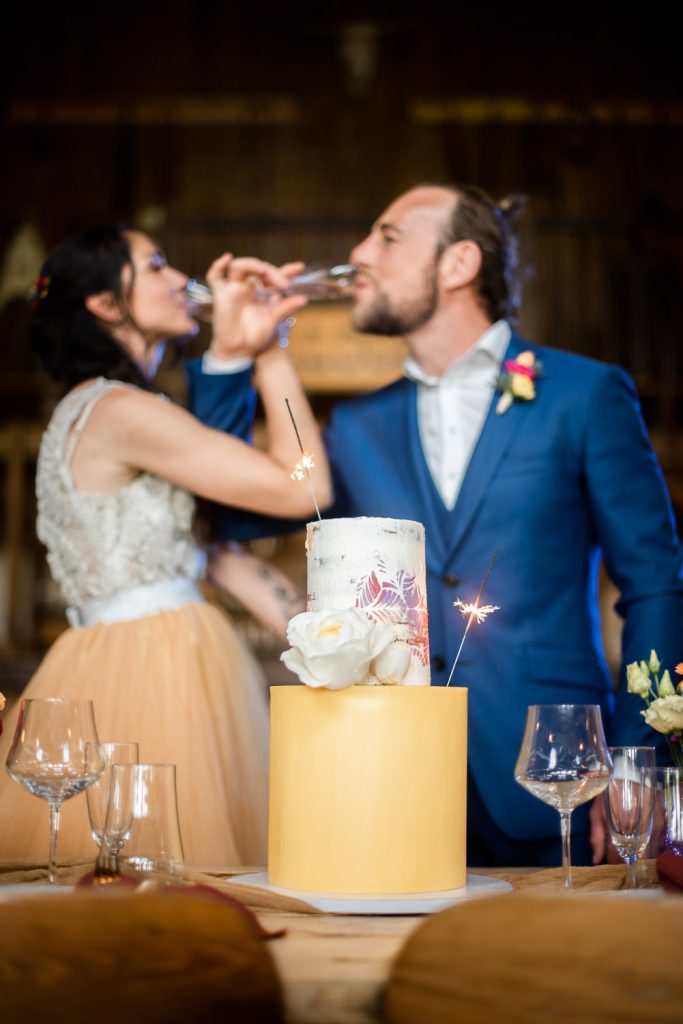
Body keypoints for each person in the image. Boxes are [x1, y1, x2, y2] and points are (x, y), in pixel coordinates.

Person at [185, 183, 683, 869]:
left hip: (557, 776)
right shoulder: (358, 426)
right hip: (391, 774)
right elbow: (225, 510)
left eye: (386, 237)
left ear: (458, 265)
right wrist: (232, 358)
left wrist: (634, 763)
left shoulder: (586, 394)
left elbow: (656, 585)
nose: (358, 253)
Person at [0, 226, 332, 869]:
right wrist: (271, 355)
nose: (181, 277)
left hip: (122, 655)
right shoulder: (121, 410)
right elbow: (302, 487)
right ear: (103, 304)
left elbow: (208, 552)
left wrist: (328, 642)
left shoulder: (103, 410)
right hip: (155, 669)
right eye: (154, 265)